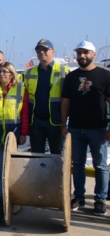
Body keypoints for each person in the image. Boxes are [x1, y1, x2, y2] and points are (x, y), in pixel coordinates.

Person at [61, 41, 110, 215]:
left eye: (86, 52)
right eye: (79, 52)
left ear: (94, 55)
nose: (82, 56)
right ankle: (79, 197)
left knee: (101, 166)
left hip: (98, 129)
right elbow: (66, 102)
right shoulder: (71, 77)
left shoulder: (105, 76)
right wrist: (63, 125)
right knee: (78, 164)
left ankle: (100, 200)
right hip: (75, 128)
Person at [0, 62, 29, 175]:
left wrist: (23, 133)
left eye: (4, 71)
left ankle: (9, 190)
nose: (1, 74)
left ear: (12, 74)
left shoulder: (20, 90)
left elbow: (25, 114)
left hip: (13, 133)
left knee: (11, 163)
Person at [23, 39, 69, 155]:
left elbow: (68, 98)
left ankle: (57, 174)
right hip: (36, 121)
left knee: (57, 156)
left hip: (56, 121)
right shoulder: (29, 73)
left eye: (45, 49)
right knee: (37, 156)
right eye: (38, 50)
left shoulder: (64, 70)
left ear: (53, 51)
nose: (41, 52)